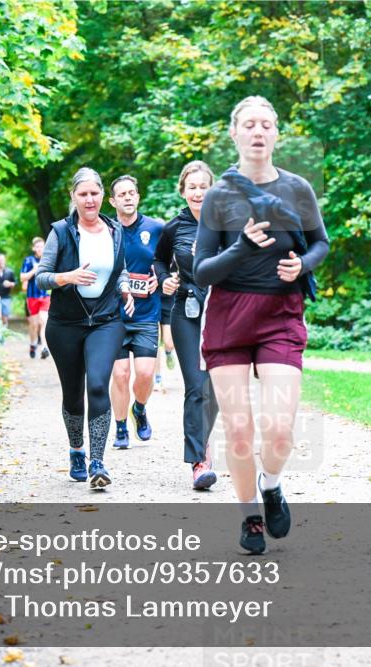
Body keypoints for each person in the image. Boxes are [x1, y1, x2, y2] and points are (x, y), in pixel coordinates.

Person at [194, 96, 330, 554]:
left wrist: (303, 267)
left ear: (276, 134)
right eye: (249, 124)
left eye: (266, 125)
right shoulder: (218, 196)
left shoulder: (298, 189)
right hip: (229, 320)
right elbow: (202, 271)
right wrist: (242, 249)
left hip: (280, 316)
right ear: (234, 133)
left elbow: (320, 244)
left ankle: (271, 484)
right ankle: (250, 515)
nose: (257, 132)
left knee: (279, 429)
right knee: (237, 430)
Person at [35, 167, 135, 489]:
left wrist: (125, 288)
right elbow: (42, 276)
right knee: (73, 393)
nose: (89, 200)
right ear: (73, 197)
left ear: (102, 196)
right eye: (83, 194)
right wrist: (68, 277)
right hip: (65, 324)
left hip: (105, 322)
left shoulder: (115, 229)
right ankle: (76, 450)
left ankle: (97, 462)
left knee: (96, 386)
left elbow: (119, 270)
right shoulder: (61, 232)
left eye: (94, 193)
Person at [154, 160, 221, 490]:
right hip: (187, 311)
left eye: (203, 186)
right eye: (192, 187)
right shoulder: (173, 228)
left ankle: (203, 445)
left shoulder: (225, 225)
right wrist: (165, 278)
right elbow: (158, 259)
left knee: (217, 388)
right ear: (183, 191)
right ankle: (199, 461)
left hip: (222, 312)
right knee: (196, 385)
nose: (198, 192)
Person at [107, 175, 162, 449]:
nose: (128, 197)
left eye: (132, 193)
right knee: (120, 374)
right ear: (113, 201)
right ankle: (119, 428)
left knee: (144, 373)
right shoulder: (105, 230)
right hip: (113, 316)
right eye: (122, 194)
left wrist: (160, 277)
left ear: (138, 197)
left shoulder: (156, 228)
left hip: (146, 314)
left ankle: (139, 409)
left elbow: (171, 262)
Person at [20, 237, 50, 359]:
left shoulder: (48, 260)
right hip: (32, 296)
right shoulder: (28, 260)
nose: (40, 249)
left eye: (42, 246)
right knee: (34, 324)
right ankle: (33, 344)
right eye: (37, 247)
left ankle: (44, 347)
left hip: (45, 295)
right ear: (34, 248)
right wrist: (34, 270)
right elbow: (22, 278)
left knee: (43, 321)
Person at [154, 298, 176, 391]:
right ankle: (157, 378)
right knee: (155, 342)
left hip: (169, 302)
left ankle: (168, 352)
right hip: (153, 301)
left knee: (169, 344)